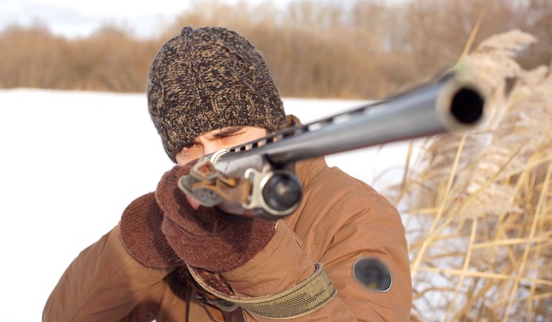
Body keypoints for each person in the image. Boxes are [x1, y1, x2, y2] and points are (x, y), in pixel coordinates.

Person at [43, 26, 412, 321]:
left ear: (270, 125)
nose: (212, 157)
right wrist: (145, 236)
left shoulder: (355, 212)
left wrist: (254, 254)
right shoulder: (183, 215)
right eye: (190, 145)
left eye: (229, 135)